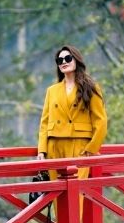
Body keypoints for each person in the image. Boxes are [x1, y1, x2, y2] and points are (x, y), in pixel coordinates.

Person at [36, 45, 108, 184]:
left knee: (77, 193)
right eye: (59, 60)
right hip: (54, 146)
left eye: (68, 58)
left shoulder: (90, 87)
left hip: (80, 145)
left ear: (77, 60)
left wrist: (91, 149)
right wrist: (42, 150)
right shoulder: (52, 90)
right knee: (57, 193)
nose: (63, 62)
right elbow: (44, 123)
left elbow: (101, 120)